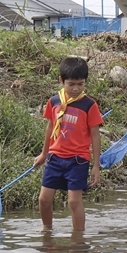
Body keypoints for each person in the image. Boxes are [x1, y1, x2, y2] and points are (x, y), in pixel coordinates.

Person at [33, 57, 104, 231]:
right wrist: (44, 154)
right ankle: (47, 231)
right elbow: (50, 128)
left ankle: (78, 239)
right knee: (44, 199)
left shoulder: (89, 105)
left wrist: (96, 165)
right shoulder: (54, 101)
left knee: (74, 201)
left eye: (80, 84)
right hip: (55, 157)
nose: (75, 88)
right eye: (71, 84)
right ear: (61, 80)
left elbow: (95, 136)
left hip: (78, 160)